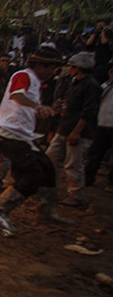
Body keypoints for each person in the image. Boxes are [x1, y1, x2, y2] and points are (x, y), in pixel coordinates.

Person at [0, 47, 64, 235]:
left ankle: (46, 212)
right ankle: (0, 209)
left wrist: (50, 109)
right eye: (51, 67)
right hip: (10, 135)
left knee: (47, 169)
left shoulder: (36, 83)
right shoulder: (24, 75)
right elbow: (16, 95)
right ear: (39, 65)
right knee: (32, 175)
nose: (53, 71)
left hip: (23, 136)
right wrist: (38, 106)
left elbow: (29, 109)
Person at [46, 52, 101, 208]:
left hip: (79, 131)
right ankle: (51, 191)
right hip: (65, 127)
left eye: (71, 66)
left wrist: (77, 131)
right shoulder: (75, 82)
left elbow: (89, 111)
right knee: (51, 157)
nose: (69, 69)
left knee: (73, 164)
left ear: (79, 68)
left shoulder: (91, 85)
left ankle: (76, 196)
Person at [84, 63, 113, 191]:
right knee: (94, 152)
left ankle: (111, 182)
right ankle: (88, 178)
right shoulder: (106, 85)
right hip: (102, 123)